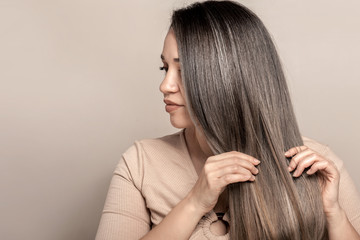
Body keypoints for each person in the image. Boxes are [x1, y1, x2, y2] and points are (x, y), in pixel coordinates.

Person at [95, 1, 360, 239]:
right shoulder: (140, 164)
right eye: (165, 68)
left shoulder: (320, 167)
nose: (165, 85)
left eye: (183, 70)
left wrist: (333, 213)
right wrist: (194, 202)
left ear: (229, 77)